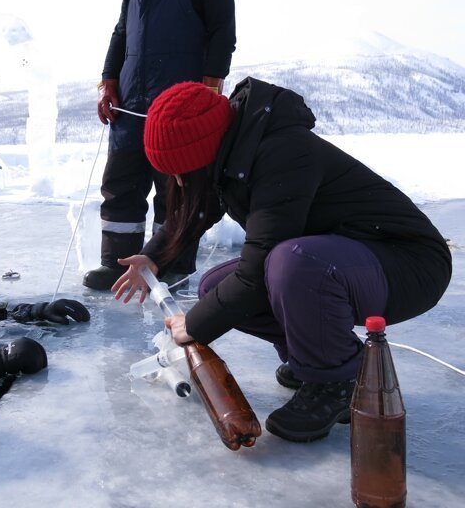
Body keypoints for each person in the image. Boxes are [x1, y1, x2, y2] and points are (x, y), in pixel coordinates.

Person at [112, 78, 452, 442]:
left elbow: (257, 274)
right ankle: (313, 358)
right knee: (217, 286)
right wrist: (153, 256)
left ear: (201, 152)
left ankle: (336, 379)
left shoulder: (282, 151)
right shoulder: (235, 148)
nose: (177, 180)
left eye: (179, 170)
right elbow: (199, 212)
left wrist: (193, 325)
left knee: (292, 264)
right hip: (351, 258)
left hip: (409, 265)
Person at [84, 0, 236, 291]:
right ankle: (116, 264)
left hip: (179, 107)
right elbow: (120, 34)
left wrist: (210, 89)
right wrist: (108, 82)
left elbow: (223, 34)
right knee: (120, 186)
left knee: (177, 190)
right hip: (130, 104)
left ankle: (169, 264)